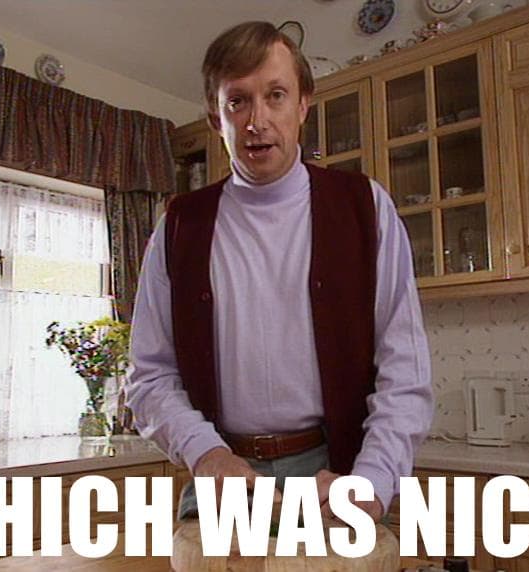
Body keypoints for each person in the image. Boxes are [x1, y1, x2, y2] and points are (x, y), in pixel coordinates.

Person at [126, 20, 433, 524]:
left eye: (275, 96)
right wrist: (205, 453)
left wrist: (375, 479)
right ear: (215, 118)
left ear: (303, 105)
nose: (257, 121)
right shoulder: (179, 226)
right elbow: (149, 377)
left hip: (334, 476)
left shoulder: (365, 206)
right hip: (222, 475)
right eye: (237, 101)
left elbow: (406, 370)